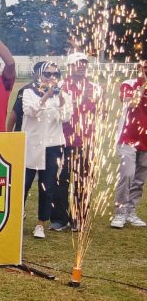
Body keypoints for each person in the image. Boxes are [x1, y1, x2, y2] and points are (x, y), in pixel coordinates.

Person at [21, 62, 71, 238]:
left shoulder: (63, 94)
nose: (51, 77)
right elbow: (30, 112)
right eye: (48, 74)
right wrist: (46, 96)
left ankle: (41, 223)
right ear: (39, 75)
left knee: (47, 186)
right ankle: (17, 217)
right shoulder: (29, 91)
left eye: (55, 74)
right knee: (23, 185)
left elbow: (66, 117)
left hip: (53, 146)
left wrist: (60, 99)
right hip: (31, 145)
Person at [60, 52, 97, 232]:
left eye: (84, 63)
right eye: (77, 63)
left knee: (82, 182)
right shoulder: (61, 86)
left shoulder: (94, 88)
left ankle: (79, 217)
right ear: (69, 67)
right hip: (63, 140)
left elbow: (102, 113)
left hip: (86, 142)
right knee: (61, 180)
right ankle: (59, 218)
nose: (81, 66)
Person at [111, 59, 147, 229]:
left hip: (145, 140)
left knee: (139, 180)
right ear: (139, 69)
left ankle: (131, 211)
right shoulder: (129, 84)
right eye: (145, 68)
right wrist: (143, 85)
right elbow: (131, 103)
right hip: (128, 138)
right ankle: (120, 212)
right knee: (127, 175)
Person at [7, 61, 47, 132]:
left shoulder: (53, 91)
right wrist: (8, 134)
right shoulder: (26, 90)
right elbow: (14, 114)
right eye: (40, 73)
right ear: (33, 74)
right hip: (24, 133)